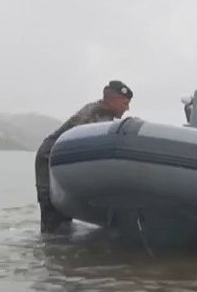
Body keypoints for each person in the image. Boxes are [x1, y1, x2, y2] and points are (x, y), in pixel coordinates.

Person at [34, 80, 132, 233]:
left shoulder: (98, 110)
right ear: (114, 100)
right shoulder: (98, 115)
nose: (127, 108)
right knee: (53, 212)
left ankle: (55, 247)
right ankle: (52, 247)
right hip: (50, 157)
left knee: (62, 215)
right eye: (125, 103)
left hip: (54, 156)